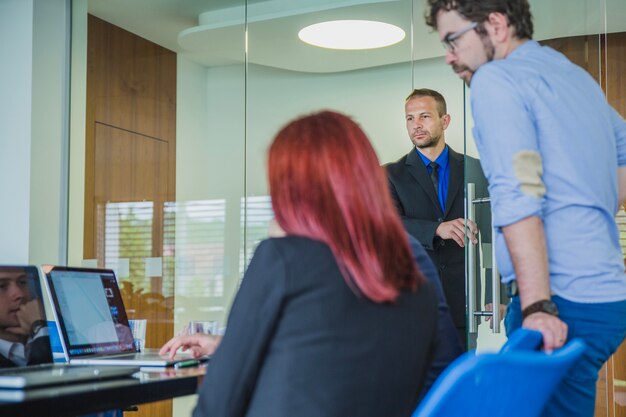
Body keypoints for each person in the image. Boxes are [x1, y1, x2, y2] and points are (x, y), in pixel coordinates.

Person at [160, 110, 453, 417]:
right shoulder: (412, 263)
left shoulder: (281, 259)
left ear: (291, 189)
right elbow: (432, 369)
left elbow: (216, 406)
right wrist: (229, 346)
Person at [425, 1, 626, 416]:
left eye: (453, 40)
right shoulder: (572, 76)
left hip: (559, 303)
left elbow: (517, 193)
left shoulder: (495, 80)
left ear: (496, 25)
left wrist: (537, 306)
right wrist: (585, 217)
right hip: (608, 297)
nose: (449, 56)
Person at [386, 88, 498, 347]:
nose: (416, 125)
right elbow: (387, 228)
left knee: (461, 384)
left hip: (465, 303)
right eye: (410, 118)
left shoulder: (476, 170)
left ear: (444, 121)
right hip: (412, 303)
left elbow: (493, 239)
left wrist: (496, 294)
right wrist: (437, 230)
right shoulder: (391, 175)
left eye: (424, 116)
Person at [0, 267, 51, 368]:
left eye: (22, 282)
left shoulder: (49, 336)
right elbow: (42, 379)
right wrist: (39, 327)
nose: (20, 294)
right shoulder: (42, 332)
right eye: (2, 286)